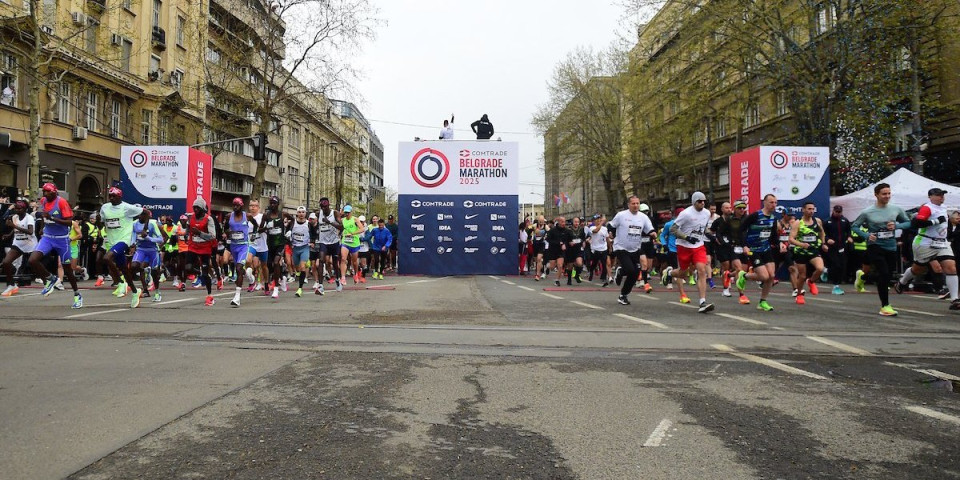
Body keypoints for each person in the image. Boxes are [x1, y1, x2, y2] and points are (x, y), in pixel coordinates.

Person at [851, 183, 913, 316]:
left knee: (887, 275)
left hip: (891, 246)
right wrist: (867, 235)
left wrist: (897, 225)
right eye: (884, 194)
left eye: (889, 193)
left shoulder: (896, 209)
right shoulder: (867, 212)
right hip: (875, 246)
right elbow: (855, 226)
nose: (887, 196)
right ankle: (885, 306)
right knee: (884, 274)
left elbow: (908, 223)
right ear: (876, 195)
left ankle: (862, 276)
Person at [894, 188, 960, 310]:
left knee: (951, 267)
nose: (941, 197)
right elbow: (917, 223)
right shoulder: (927, 208)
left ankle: (955, 299)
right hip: (925, 242)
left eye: (942, 195)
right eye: (938, 195)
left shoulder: (944, 207)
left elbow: (945, 223)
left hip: (941, 243)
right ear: (930, 196)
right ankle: (902, 282)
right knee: (918, 269)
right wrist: (935, 221)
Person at [29, 183, 82, 308]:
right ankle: (50, 278)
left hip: (62, 240)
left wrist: (52, 218)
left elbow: (70, 222)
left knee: (68, 270)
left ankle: (77, 295)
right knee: (33, 260)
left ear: (54, 192)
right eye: (44, 191)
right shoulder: (43, 201)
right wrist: (42, 227)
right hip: (47, 237)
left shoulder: (62, 202)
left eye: (48, 192)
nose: (45, 194)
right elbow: (43, 216)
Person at [663, 192, 715, 313]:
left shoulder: (707, 213)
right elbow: (673, 229)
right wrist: (687, 237)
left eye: (704, 201)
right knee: (683, 274)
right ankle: (670, 273)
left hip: (698, 246)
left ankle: (702, 302)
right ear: (694, 202)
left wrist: (709, 234)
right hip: (684, 246)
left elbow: (703, 227)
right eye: (700, 201)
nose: (702, 203)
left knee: (701, 270)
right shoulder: (685, 214)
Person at [735, 194, 780, 312]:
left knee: (771, 276)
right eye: (771, 202)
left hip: (766, 249)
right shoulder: (755, 216)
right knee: (764, 276)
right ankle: (744, 275)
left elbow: (773, 235)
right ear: (764, 203)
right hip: (753, 250)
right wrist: (744, 245)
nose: (773, 205)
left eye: (775, 203)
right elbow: (741, 230)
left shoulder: (773, 218)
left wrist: (780, 244)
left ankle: (762, 302)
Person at [609, 195, 656, 305]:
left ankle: (623, 295)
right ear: (629, 205)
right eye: (633, 203)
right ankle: (621, 270)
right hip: (621, 247)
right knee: (630, 270)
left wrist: (652, 233)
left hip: (635, 248)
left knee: (635, 274)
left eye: (637, 203)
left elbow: (649, 228)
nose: (635, 206)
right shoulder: (621, 215)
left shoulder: (643, 217)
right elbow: (611, 225)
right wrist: (611, 232)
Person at [99, 186, 144, 299]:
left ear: (120, 197)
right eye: (110, 196)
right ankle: (135, 291)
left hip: (123, 240)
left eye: (114, 196)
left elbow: (146, 212)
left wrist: (145, 228)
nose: (111, 198)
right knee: (124, 268)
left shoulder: (127, 207)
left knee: (106, 258)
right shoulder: (105, 207)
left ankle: (120, 282)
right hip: (112, 240)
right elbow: (103, 221)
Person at [788, 202, 827, 305]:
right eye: (809, 209)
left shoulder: (817, 221)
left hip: (813, 250)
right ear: (803, 210)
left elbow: (822, 233)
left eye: (813, 209)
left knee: (820, 268)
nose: (811, 211)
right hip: (801, 252)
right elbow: (791, 239)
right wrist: (801, 244)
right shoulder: (798, 223)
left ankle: (811, 281)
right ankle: (799, 294)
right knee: (802, 276)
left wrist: (823, 244)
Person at [128, 209, 166, 307]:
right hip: (141, 249)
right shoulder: (134, 224)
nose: (141, 217)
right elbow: (133, 236)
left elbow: (160, 239)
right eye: (139, 215)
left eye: (144, 215)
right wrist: (132, 244)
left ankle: (157, 292)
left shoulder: (152, 224)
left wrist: (148, 238)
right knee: (133, 265)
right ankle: (144, 279)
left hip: (152, 250)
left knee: (155, 272)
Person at [186, 198, 218, 306]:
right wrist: (186, 235)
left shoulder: (208, 219)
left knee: (205, 274)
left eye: (198, 208)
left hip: (205, 248)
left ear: (203, 209)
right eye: (194, 207)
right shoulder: (191, 217)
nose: (195, 210)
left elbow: (213, 236)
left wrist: (199, 233)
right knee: (188, 268)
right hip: (193, 246)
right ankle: (199, 272)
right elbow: (188, 229)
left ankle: (209, 296)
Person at [1, 200, 35, 296]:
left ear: (25, 209)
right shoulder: (15, 217)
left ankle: (50, 279)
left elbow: (30, 231)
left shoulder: (29, 218)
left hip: (30, 244)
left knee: (35, 264)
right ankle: (12, 285)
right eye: (16, 208)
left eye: (19, 208)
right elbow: (15, 228)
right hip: (18, 244)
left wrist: (14, 226)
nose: (17, 210)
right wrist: (9, 234)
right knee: (6, 262)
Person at [226, 197, 255, 306]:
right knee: (240, 269)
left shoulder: (247, 216)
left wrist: (254, 234)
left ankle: (237, 297)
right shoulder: (229, 216)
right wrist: (227, 233)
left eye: (237, 205)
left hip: (243, 246)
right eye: (233, 205)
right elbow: (225, 229)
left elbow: (256, 225)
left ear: (242, 206)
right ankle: (251, 279)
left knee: (238, 268)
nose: (235, 207)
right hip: (234, 246)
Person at [315, 197, 342, 294]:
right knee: (321, 261)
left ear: (329, 205)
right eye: (322, 207)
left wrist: (329, 222)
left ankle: (338, 280)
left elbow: (341, 226)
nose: (324, 209)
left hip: (334, 242)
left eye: (325, 207)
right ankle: (321, 286)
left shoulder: (335, 213)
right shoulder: (318, 214)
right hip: (323, 242)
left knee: (335, 264)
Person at [824, 205, 852, 295]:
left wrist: (849, 237)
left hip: (842, 246)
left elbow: (848, 231)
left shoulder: (845, 221)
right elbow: (823, 233)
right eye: (837, 212)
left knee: (842, 266)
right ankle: (835, 285)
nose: (838, 213)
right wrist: (827, 239)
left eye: (840, 212)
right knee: (836, 265)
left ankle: (826, 271)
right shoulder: (827, 221)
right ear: (833, 211)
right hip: (831, 247)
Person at [339, 204, 364, 289]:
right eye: (345, 212)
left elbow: (362, 229)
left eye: (348, 213)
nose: (346, 214)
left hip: (354, 242)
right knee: (343, 259)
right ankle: (343, 278)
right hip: (345, 242)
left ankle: (356, 274)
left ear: (351, 212)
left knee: (354, 262)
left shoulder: (355, 219)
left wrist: (353, 233)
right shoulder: (342, 220)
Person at [586, 214, 610, 286]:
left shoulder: (605, 229)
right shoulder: (591, 227)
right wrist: (601, 223)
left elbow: (607, 238)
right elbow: (596, 231)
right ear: (594, 221)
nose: (599, 220)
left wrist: (610, 247)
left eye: (599, 219)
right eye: (597, 219)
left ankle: (603, 279)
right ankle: (591, 272)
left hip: (603, 248)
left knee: (604, 263)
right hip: (595, 249)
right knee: (594, 263)